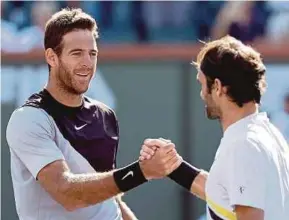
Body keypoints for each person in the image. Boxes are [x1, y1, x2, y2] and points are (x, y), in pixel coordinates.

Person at [6, 8, 182, 220]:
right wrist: (141, 172)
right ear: (52, 57)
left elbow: (110, 198)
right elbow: (67, 193)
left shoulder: (104, 115)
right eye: (76, 53)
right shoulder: (28, 119)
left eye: (92, 53)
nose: (87, 63)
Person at [140, 36, 289, 220]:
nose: (202, 94)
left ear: (217, 87)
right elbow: (226, 195)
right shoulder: (267, 134)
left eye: (202, 84)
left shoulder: (243, 145)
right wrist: (174, 167)